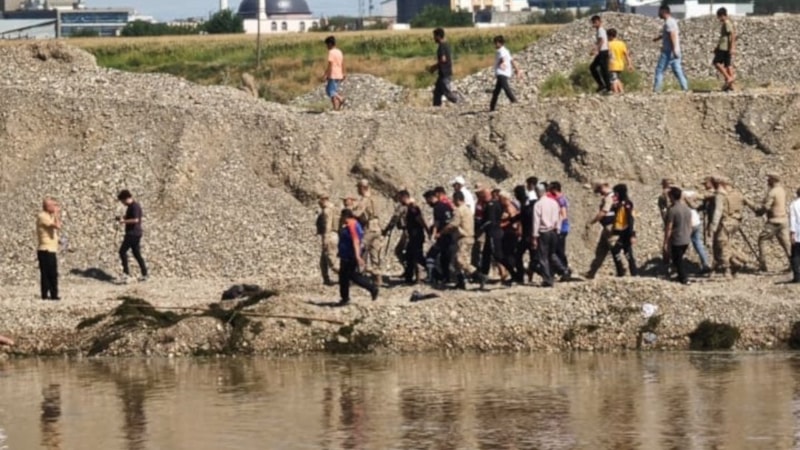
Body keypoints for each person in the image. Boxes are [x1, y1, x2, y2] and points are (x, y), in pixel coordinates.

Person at [440, 191, 487, 290]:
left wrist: (443, 231)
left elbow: (454, 224)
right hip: (469, 237)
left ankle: (478, 275)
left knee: (460, 260)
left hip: (463, 238)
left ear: (457, 199)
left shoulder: (459, 210)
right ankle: (460, 282)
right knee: (456, 262)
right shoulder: (468, 209)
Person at [748, 173, 791, 272]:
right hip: (783, 220)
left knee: (761, 240)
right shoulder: (781, 190)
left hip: (774, 221)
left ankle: (763, 265)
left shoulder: (772, 192)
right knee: (786, 243)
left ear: (773, 180)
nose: (767, 181)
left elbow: (765, 207)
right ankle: (793, 264)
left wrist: (756, 209)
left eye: (769, 179)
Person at [337, 209, 379, 305]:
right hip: (346, 254)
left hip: (350, 255)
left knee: (352, 275)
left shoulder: (352, 224)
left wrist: (357, 256)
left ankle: (372, 287)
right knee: (344, 276)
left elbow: (356, 240)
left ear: (345, 216)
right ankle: (344, 297)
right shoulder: (354, 224)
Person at [710, 176, 746, 277]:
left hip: (725, 223)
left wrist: (713, 226)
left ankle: (728, 268)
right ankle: (736, 262)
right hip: (735, 222)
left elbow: (718, 211)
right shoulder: (735, 193)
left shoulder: (720, 195)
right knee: (727, 243)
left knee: (722, 245)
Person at [353, 179, 384, 287]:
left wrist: (349, 212)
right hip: (377, 227)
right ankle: (378, 278)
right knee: (375, 253)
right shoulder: (375, 198)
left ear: (362, 188)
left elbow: (357, 213)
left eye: (358, 188)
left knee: (361, 250)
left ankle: (360, 276)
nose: (357, 190)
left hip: (368, 228)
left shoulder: (364, 200)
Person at [584, 180, 617, 279]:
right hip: (607, 227)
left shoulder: (609, 198)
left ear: (605, 186)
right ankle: (591, 272)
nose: (600, 193)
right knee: (601, 250)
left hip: (610, 227)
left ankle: (623, 270)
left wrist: (592, 222)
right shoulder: (615, 196)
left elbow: (604, 212)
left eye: (600, 189)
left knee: (615, 249)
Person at [652, 5, 689, 92]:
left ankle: (657, 90)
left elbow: (672, 35)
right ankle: (685, 88)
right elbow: (668, 34)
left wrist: (674, 49)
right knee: (677, 70)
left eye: (660, 12)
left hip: (669, 51)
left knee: (659, 70)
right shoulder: (672, 21)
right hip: (675, 51)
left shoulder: (668, 22)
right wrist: (658, 38)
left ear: (664, 12)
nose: (658, 14)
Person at [532, 187, 563, 287]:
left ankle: (548, 279)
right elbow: (559, 216)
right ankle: (563, 270)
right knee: (552, 254)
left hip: (543, 232)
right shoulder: (554, 202)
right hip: (553, 231)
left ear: (537, 193)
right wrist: (558, 229)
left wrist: (534, 236)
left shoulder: (538, 204)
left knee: (543, 257)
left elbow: (536, 221)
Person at [396, 190, 427, 284]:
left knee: (416, 255)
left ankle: (419, 277)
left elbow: (420, 219)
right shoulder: (409, 207)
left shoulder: (413, 207)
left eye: (400, 198)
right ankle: (409, 277)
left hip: (416, 235)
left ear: (404, 197)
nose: (399, 201)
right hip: (412, 235)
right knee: (410, 255)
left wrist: (427, 229)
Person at [663, 187, 693, 285]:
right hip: (686, 238)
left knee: (677, 259)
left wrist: (666, 242)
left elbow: (669, 227)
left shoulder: (672, 210)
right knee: (679, 258)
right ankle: (680, 276)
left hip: (677, 238)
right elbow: (691, 224)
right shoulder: (687, 209)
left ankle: (684, 278)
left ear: (671, 196)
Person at [117, 190, 148, 283]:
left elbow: (135, 220)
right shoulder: (132, 206)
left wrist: (124, 222)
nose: (123, 203)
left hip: (132, 233)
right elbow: (131, 217)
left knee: (122, 252)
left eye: (122, 201)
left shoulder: (134, 206)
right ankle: (145, 273)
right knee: (136, 253)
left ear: (126, 198)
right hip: (136, 233)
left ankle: (126, 274)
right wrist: (122, 218)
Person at [424, 189, 454, 284]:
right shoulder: (446, 206)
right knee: (445, 257)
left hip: (443, 235)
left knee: (431, 255)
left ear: (431, 198)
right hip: (450, 234)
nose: (427, 203)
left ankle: (432, 276)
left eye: (427, 200)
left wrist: (434, 234)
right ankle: (446, 277)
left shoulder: (437, 207)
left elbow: (437, 223)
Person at [610, 184, 638, 277]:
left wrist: (632, 234)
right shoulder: (619, 203)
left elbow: (631, 219)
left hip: (626, 232)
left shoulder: (627, 203)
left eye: (616, 193)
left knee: (624, 252)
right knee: (620, 251)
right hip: (619, 231)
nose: (614, 195)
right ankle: (626, 272)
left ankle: (629, 272)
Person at [36, 198, 61, 300]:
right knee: (48, 273)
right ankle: (47, 294)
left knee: (52, 273)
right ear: (47, 206)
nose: (56, 207)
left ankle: (52, 294)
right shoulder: (42, 216)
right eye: (53, 205)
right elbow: (57, 226)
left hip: (51, 248)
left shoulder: (49, 216)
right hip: (45, 249)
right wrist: (56, 214)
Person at [429, 28, 461, 107]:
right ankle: (436, 107)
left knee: (447, 92)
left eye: (435, 36)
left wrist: (434, 67)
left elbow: (443, 59)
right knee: (437, 92)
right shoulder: (446, 45)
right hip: (442, 73)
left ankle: (459, 102)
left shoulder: (442, 46)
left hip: (444, 73)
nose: (434, 38)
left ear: (439, 36)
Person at [489, 35, 522, 112]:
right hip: (505, 72)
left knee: (505, 88)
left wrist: (502, 63)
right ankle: (492, 107)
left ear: (500, 43)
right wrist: (517, 69)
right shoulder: (506, 50)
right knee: (496, 91)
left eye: (496, 43)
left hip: (502, 72)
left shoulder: (500, 51)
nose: (495, 45)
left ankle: (513, 100)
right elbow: (512, 60)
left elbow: (502, 58)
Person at [383, 191, 409, 271]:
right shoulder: (413, 206)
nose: (399, 200)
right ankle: (409, 270)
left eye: (400, 198)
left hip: (407, 231)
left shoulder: (403, 207)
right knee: (405, 251)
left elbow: (395, 218)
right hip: (411, 231)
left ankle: (409, 270)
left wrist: (387, 229)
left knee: (400, 251)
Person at [316, 194, 339, 286]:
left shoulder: (327, 211)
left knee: (332, 262)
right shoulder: (334, 208)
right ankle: (326, 280)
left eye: (319, 200)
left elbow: (327, 226)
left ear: (323, 199)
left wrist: (325, 239)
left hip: (329, 236)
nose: (318, 202)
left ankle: (348, 277)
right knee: (323, 261)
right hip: (333, 235)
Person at [550, 182, 572, 277]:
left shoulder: (560, 200)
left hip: (561, 228)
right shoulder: (562, 198)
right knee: (558, 250)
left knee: (559, 250)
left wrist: (555, 223)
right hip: (562, 227)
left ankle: (565, 270)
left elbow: (564, 215)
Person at [713, 7, 737, 91]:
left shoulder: (727, 23)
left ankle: (729, 78)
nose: (719, 19)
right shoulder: (726, 23)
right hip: (724, 46)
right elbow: (724, 36)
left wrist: (732, 47)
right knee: (728, 65)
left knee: (716, 63)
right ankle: (731, 86)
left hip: (724, 47)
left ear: (723, 15)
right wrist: (717, 46)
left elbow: (732, 35)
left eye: (719, 16)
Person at [322, 36, 346, 111]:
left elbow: (330, 64)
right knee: (332, 90)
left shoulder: (331, 52)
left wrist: (326, 74)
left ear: (330, 44)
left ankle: (340, 99)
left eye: (327, 45)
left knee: (331, 91)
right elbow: (342, 63)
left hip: (333, 74)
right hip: (339, 73)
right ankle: (335, 107)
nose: (326, 47)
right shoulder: (339, 52)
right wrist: (343, 72)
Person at [589, 15, 612, 94]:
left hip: (603, 52)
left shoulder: (601, 30)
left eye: (595, 22)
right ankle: (602, 85)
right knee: (593, 67)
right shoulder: (600, 30)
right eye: (593, 23)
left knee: (604, 70)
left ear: (599, 21)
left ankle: (608, 88)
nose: (594, 24)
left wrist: (597, 50)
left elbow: (601, 41)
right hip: (603, 51)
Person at [607, 28, 633, 94]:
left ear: (609, 36)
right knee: (617, 79)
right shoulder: (621, 43)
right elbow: (626, 54)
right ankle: (622, 92)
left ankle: (616, 92)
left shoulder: (608, 44)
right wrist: (629, 64)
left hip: (612, 65)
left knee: (613, 80)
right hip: (620, 65)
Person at [789, 188, 800, 283]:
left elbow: (792, 219)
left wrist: (792, 233)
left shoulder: (794, 204)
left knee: (795, 255)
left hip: (798, 232)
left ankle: (797, 277)